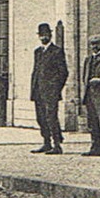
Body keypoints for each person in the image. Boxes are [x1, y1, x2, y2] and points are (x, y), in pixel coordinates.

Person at [29, 22, 69, 154]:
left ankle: (57, 144)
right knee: (40, 118)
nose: (43, 37)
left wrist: (55, 88)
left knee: (51, 117)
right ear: (38, 36)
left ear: (50, 35)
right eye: (41, 35)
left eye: (46, 35)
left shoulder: (57, 51)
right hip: (38, 91)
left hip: (51, 92)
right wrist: (33, 88)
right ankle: (46, 142)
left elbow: (63, 73)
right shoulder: (38, 52)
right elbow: (36, 71)